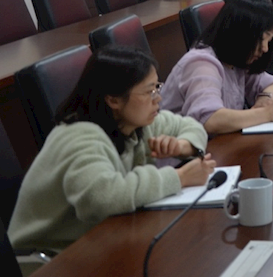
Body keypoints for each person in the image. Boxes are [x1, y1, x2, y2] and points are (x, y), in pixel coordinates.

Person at [9, 46, 214, 252]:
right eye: (149, 91)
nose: (157, 98)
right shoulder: (79, 136)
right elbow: (101, 199)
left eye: (157, 87)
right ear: (113, 99)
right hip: (47, 257)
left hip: (95, 240)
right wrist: (179, 177)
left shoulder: (136, 122)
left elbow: (191, 126)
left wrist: (182, 145)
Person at [160, 0, 273, 134]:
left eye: (269, 40)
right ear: (241, 34)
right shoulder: (201, 64)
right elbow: (209, 120)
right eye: (262, 39)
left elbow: (270, 84)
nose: (265, 48)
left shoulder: (237, 59)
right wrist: (267, 113)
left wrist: (265, 98)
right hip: (179, 146)